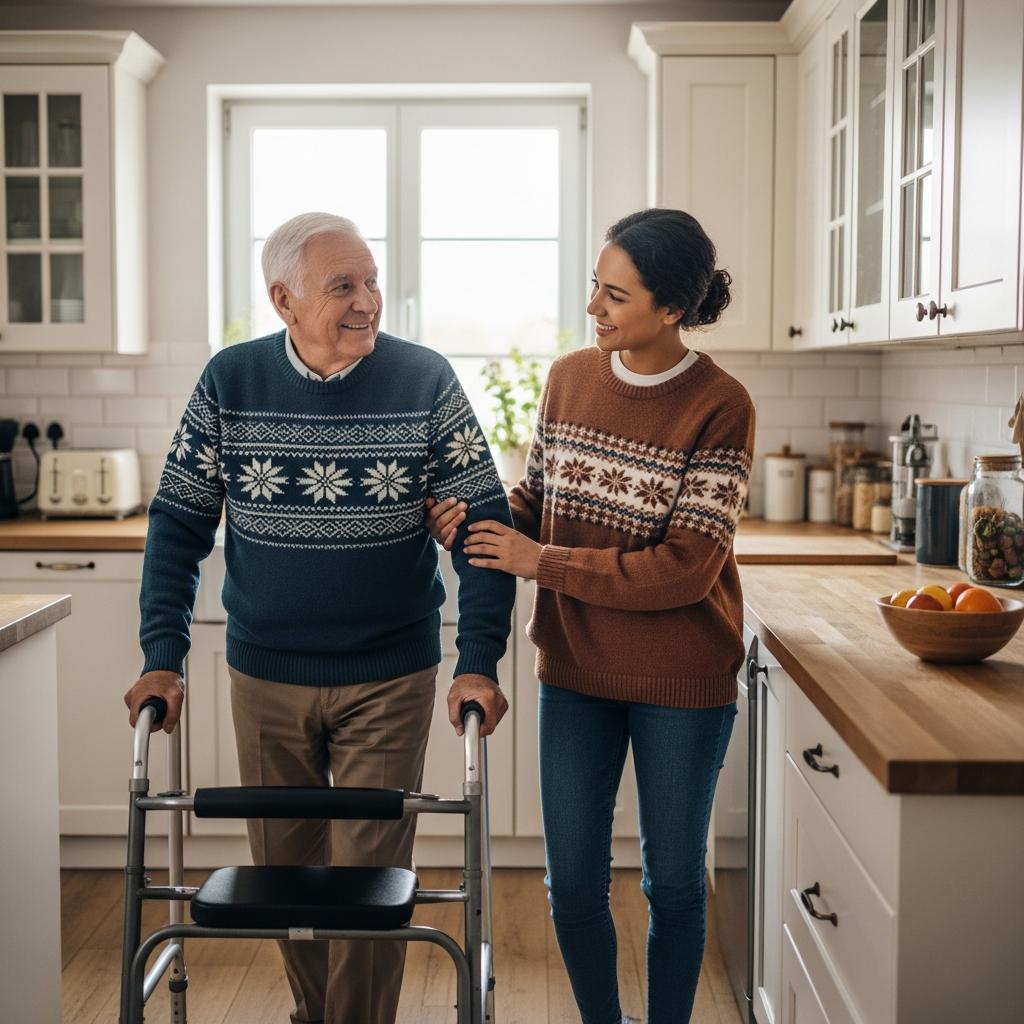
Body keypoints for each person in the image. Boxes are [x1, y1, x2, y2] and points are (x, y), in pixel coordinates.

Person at [124, 211, 515, 1024]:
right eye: (344, 286)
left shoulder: (425, 380)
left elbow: (484, 525)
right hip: (265, 671)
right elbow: (179, 522)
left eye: (371, 281)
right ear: (284, 300)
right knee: (285, 877)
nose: (368, 300)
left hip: (391, 671)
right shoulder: (231, 381)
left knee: (369, 884)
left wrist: (478, 657)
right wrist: (163, 653)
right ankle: (320, 1015)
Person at [427, 208, 754, 1024]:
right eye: (594, 288)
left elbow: (685, 569)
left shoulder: (721, 404)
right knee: (571, 882)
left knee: (673, 881)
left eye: (615, 295)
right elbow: (541, 502)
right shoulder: (570, 377)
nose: (595, 308)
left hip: (682, 676)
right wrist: (482, 521)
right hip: (575, 668)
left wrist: (545, 563)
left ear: (672, 309)